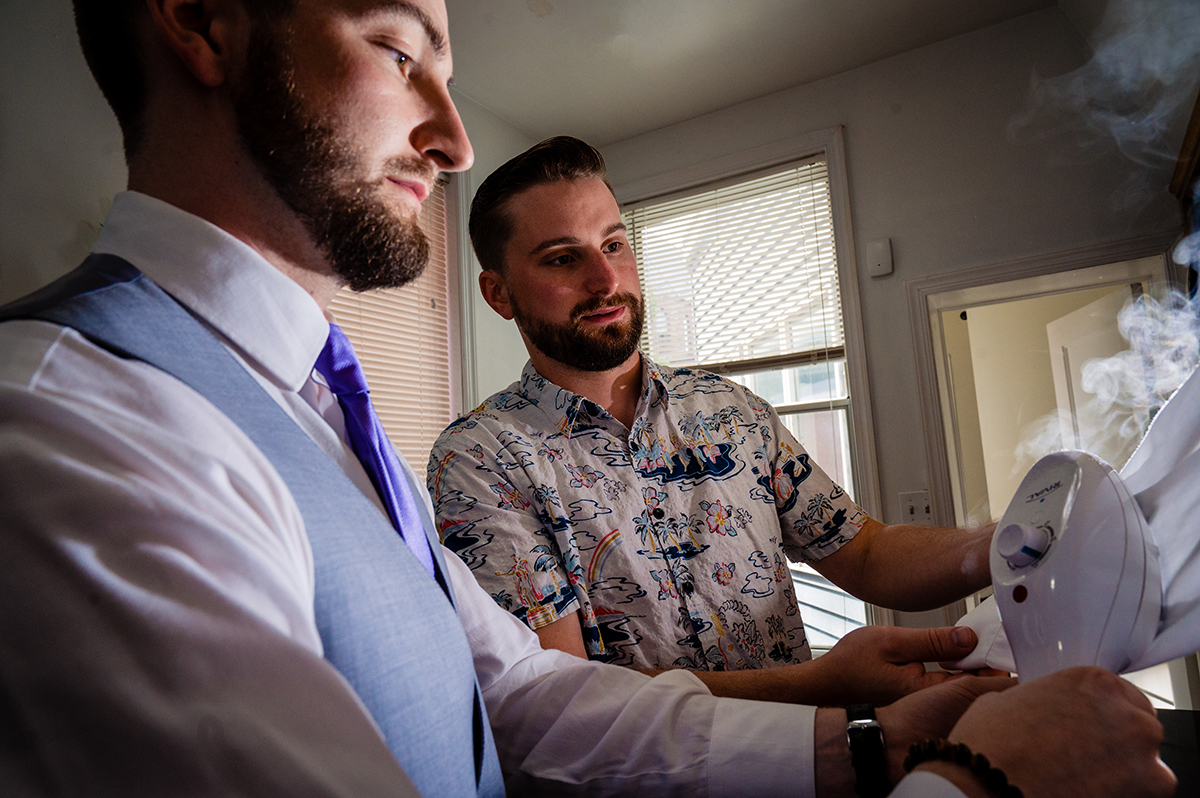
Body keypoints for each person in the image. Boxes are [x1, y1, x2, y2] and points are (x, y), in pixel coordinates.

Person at [0, 1, 1174, 797]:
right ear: (203, 20)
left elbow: (520, 693)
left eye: (617, 242)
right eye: (401, 49)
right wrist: (980, 779)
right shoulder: (70, 424)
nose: (453, 136)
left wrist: (863, 747)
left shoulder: (316, 409)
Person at [427, 136, 997, 703]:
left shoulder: (734, 413)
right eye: (563, 258)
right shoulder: (480, 459)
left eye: (615, 244)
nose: (607, 281)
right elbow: (562, 692)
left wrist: (1004, 546)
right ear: (498, 293)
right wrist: (818, 686)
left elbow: (866, 553)